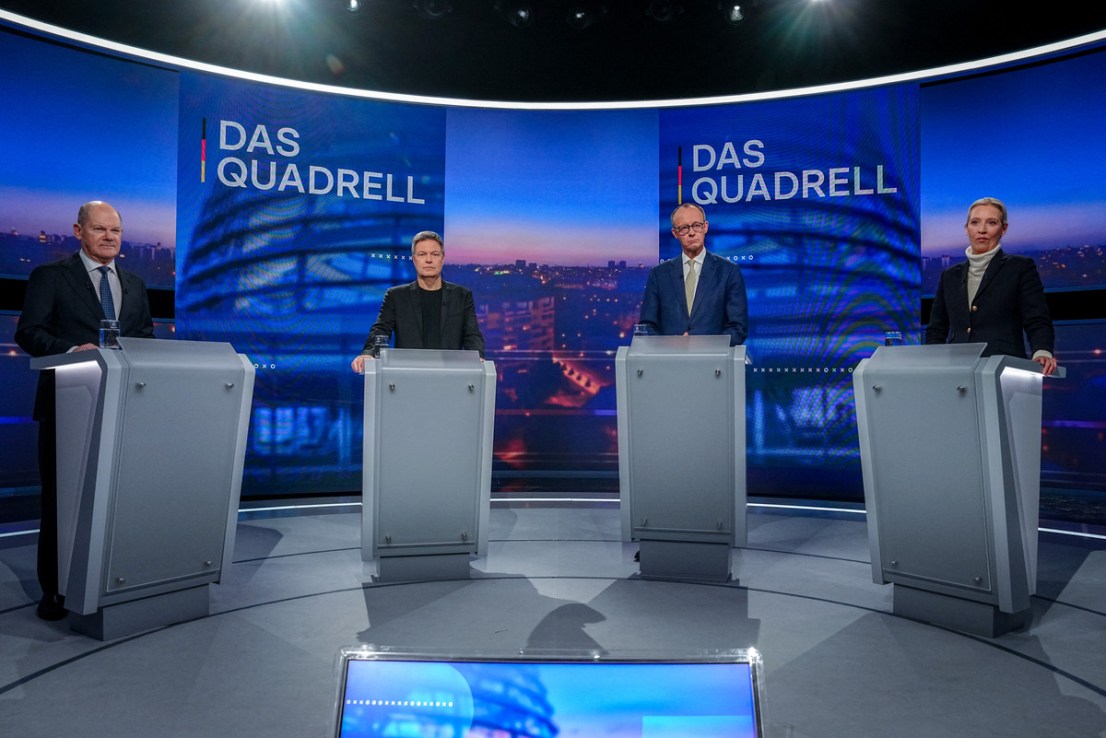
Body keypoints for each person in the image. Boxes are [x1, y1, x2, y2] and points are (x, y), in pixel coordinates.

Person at [14, 201, 155, 620]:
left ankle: (112, 582)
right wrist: (73, 350)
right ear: (79, 231)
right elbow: (29, 332)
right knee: (63, 503)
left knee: (119, 502)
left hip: (125, 407)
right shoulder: (51, 277)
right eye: (100, 229)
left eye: (116, 231)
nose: (109, 237)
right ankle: (56, 591)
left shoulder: (134, 283)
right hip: (68, 404)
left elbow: (144, 338)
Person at [925, 197, 1057, 376]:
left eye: (991, 222)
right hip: (957, 372)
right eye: (975, 222)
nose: (982, 230)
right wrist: (933, 364)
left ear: (1004, 229)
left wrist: (1042, 351)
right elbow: (936, 329)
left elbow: (1037, 319)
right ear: (966, 228)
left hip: (1004, 370)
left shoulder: (1019, 268)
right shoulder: (949, 275)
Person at [350, 230, 484, 373]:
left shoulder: (462, 295)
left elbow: (471, 334)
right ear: (414, 260)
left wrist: (478, 358)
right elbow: (381, 330)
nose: (428, 260)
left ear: (442, 258)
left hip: (449, 375)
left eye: (435, 254)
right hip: (406, 375)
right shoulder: (396, 296)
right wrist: (368, 353)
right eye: (422, 254)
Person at [639, 203, 748, 346]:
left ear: (705, 227)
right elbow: (647, 327)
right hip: (670, 358)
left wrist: (701, 346)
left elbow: (738, 328)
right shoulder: (659, 275)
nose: (691, 233)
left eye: (697, 225)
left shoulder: (728, 271)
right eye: (684, 228)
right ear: (675, 233)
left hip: (714, 358)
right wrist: (670, 346)